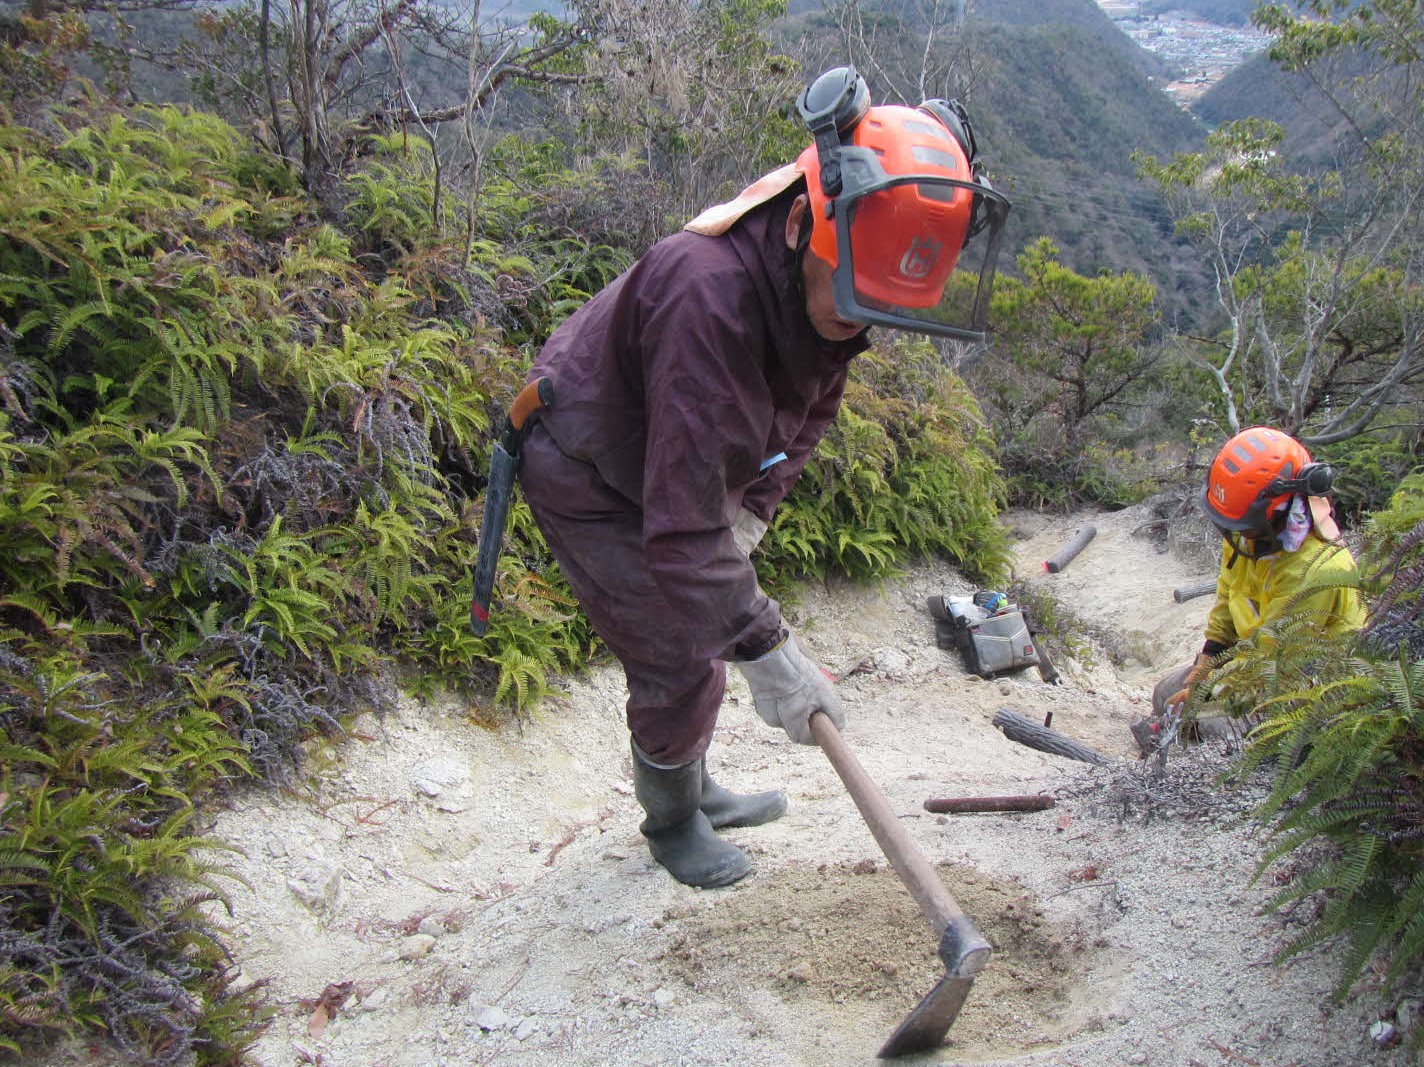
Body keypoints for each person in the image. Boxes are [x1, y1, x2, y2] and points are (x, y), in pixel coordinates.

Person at [513, 67, 1010, 887]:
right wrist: (769, 649)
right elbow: (679, 538)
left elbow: (805, 417)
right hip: (587, 463)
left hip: (665, 458)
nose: (853, 322)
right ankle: (672, 820)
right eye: (846, 298)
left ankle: (695, 782)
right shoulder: (705, 295)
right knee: (678, 646)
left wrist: (748, 520)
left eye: (873, 309)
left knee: (708, 612)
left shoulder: (829, 286)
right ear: (798, 228)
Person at [1133, 426, 1367, 757]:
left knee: (1214, 727)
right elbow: (1229, 598)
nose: (1236, 534)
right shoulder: (1248, 537)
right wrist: (1209, 660)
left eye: (1244, 526)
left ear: (1282, 508)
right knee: (1165, 694)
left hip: (1299, 686)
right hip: (1250, 662)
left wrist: (1209, 693)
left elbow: (1275, 663)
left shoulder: (1317, 569)